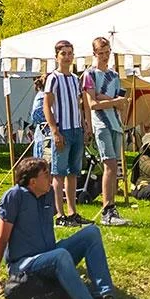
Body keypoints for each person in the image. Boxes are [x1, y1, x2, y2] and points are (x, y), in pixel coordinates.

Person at [0, 157, 127, 299]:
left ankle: (104, 298)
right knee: (60, 255)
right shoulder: (14, 197)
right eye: (46, 175)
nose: (50, 178)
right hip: (23, 265)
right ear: (32, 181)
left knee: (92, 233)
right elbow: (2, 238)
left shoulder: (48, 193)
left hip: (48, 255)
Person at [42, 41, 91, 226]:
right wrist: (54, 130)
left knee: (73, 172)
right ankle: (59, 215)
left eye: (70, 53)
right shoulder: (53, 78)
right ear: (57, 56)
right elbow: (47, 105)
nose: (68, 57)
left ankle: (72, 212)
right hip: (62, 129)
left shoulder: (74, 79)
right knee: (58, 173)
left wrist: (85, 125)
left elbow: (79, 104)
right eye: (64, 53)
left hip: (76, 129)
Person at [82, 37, 129, 228]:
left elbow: (120, 99)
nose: (104, 56)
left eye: (107, 52)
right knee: (109, 164)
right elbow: (92, 104)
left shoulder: (114, 75)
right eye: (100, 53)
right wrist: (112, 101)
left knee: (114, 165)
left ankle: (112, 207)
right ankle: (107, 208)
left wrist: (110, 100)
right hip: (101, 123)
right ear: (94, 54)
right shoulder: (89, 75)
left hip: (116, 122)